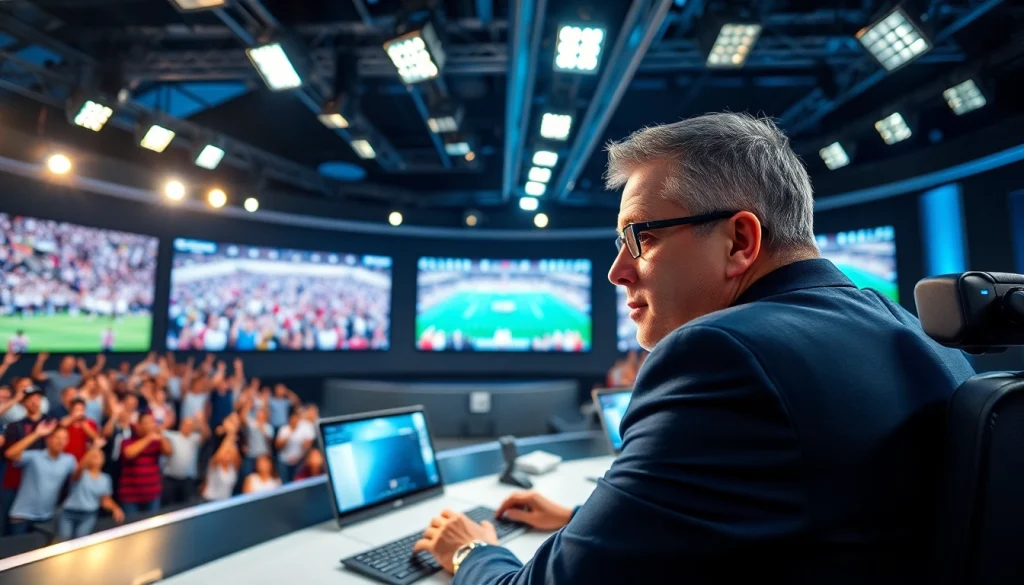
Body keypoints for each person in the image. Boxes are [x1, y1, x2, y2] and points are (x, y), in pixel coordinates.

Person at [412, 113, 976, 584]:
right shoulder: (918, 337)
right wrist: (585, 521)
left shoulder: (722, 355)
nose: (617, 271)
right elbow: (813, 509)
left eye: (643, 237)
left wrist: (471, 552)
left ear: (740, 241)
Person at [4, 419, 76, 535]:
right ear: (48, 439)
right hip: (22, 517)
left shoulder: (69, 460)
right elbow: (10, 454)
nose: (61, 442)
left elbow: (79, 477)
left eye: (64, 439)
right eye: (57, 438)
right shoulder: (35, 456)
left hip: (46, 517)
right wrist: (36, 434)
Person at [57, 445, 125, 540]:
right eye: (93, 456)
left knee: (81, 541)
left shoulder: (105, 479)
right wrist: (91, 451)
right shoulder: (81, 473)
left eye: (99, 456)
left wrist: (115, 508)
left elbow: (105, 500)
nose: (96, 459)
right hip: (69, 513)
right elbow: (78, 471)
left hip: (88, 515)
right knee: (63, 540)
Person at [119, 412, 172, 516]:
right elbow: (129, 453)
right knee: (133, 528)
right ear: (138, 425)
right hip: (130, 496)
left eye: (152, 422)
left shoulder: (157, 442)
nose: (150, 425)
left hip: (152, 494)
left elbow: (169, 452)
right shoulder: (127, 441)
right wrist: (148, 438)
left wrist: (161, 436)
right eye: (146, 423)